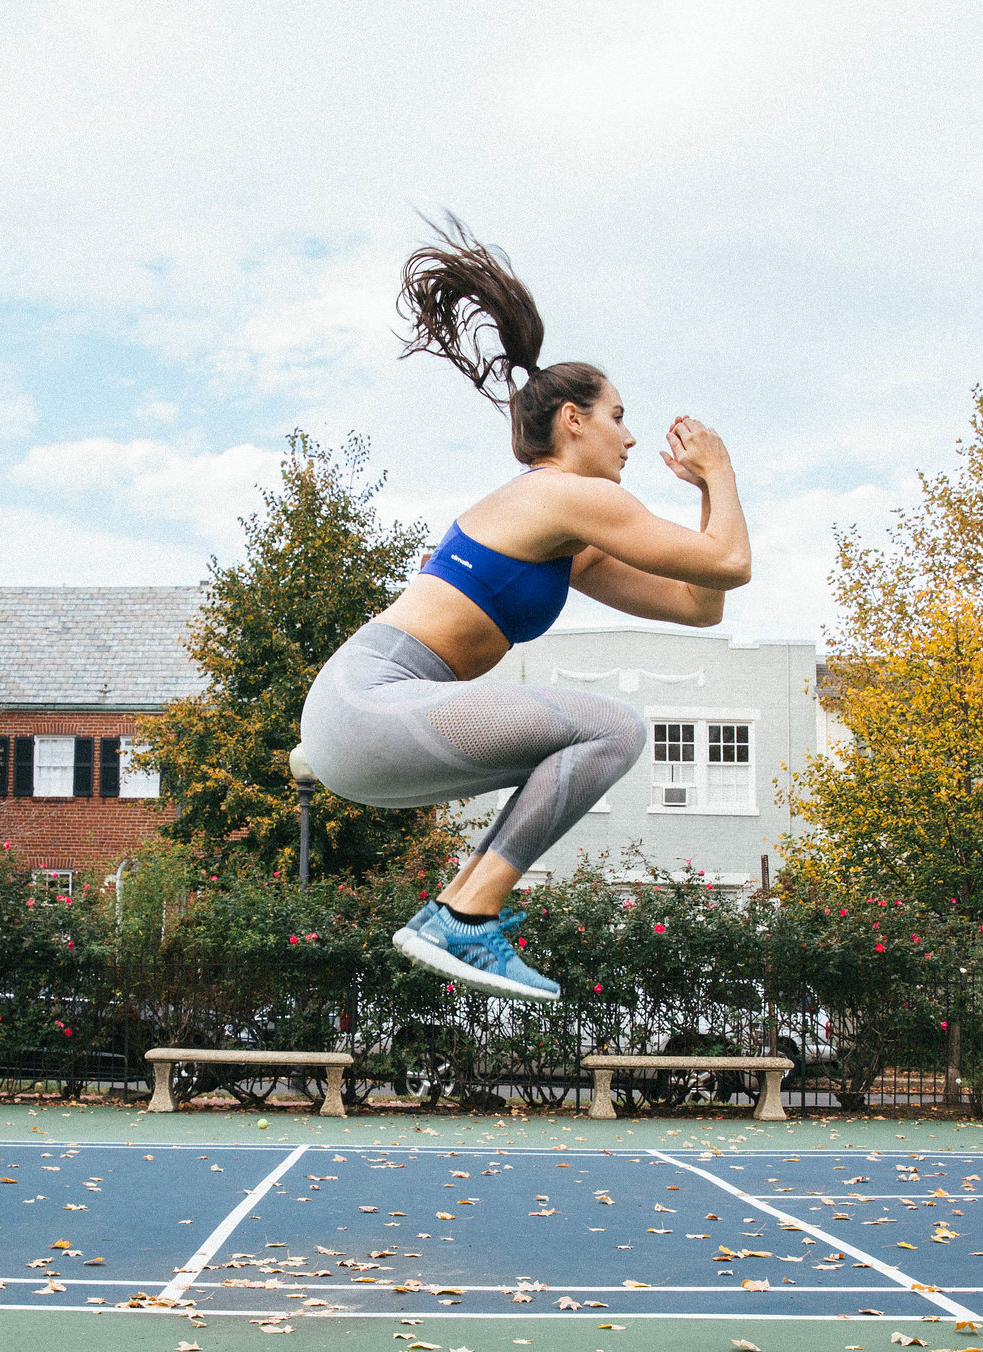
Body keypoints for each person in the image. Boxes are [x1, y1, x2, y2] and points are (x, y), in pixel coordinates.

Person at [299, 217, 751, 1002]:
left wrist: (707, 492)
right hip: (369, 702)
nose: (630, 439)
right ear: (572, 419)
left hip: (363, 723)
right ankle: (464, 916)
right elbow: (732, 563)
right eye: (617, 416)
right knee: (614, 726)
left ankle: (454, 912)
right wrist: (722, 471)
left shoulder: (562, 530)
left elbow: (699, 603)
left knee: (594, 738)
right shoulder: (564, 494)